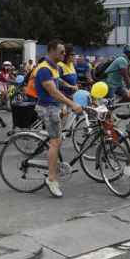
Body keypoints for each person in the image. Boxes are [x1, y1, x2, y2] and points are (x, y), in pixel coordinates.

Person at [33, 41, 84, 198]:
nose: (64, 54)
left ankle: (53, 164)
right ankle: (51, 179)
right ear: (52, 51)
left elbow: (57, 81)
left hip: (54, 107)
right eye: (61, 52)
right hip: (47, 108)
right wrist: (72, 104)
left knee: (58, 139)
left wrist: (69, 85)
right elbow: (54, 92)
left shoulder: (54, 67)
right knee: (55, 142)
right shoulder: (43, 69)